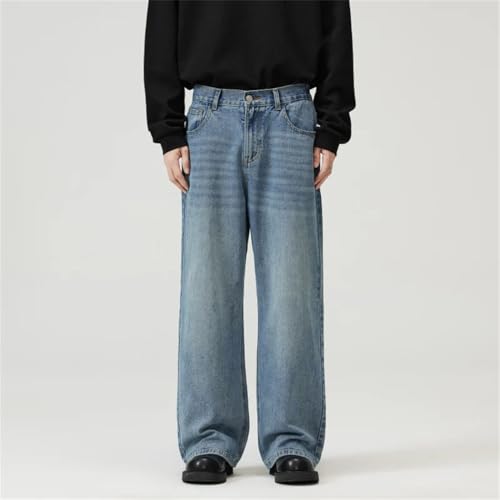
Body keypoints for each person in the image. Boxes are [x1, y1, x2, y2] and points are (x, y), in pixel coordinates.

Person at [143, 0, 355, 485]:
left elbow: (334, 19)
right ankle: (209, 438)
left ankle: (292, 440)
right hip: (209, 117)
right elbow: (164, 21)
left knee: (292, 290)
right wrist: (168, 127)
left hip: (291, 115)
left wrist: (331, 124)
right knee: (207, 291)